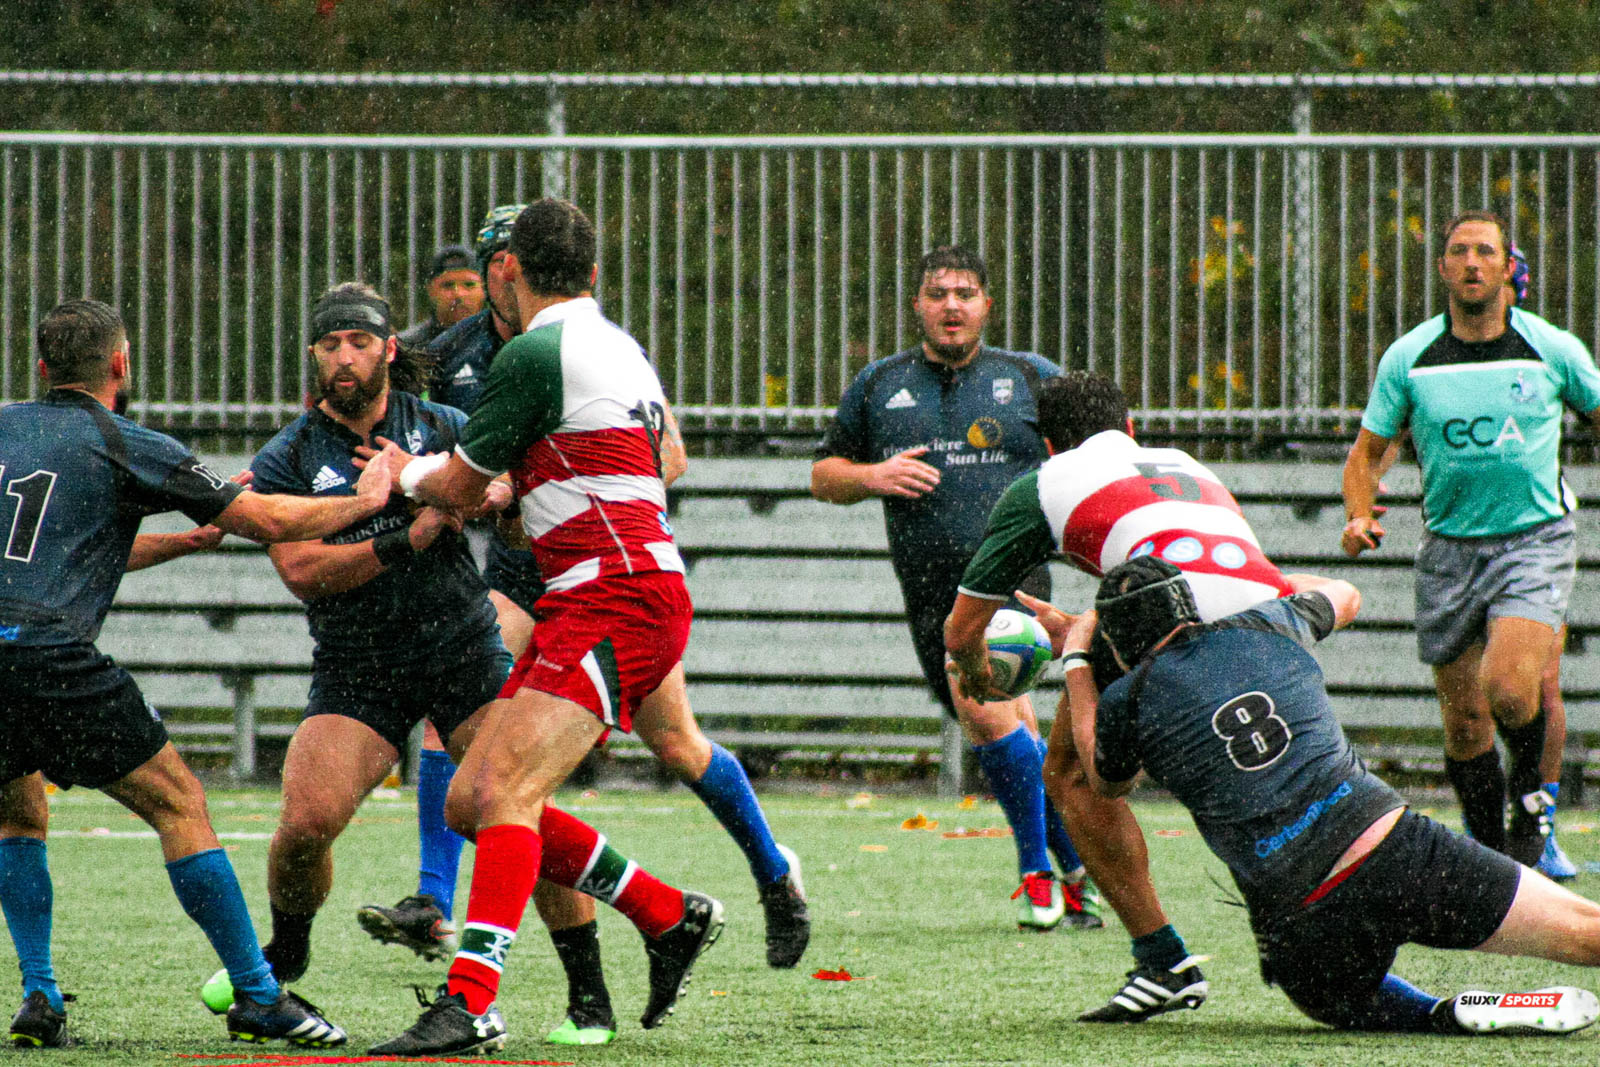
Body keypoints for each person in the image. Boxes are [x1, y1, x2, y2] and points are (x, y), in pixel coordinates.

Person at [361, 205, 808, 1047]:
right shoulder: (618, 346)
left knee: (502, 792)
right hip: (603, 593)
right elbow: (608, 463)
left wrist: (403, 468)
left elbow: (456, 486)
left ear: (508, 271)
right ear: (593, 274)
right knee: (470, 797)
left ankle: (472, 1000)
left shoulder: (536, 350)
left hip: (616, 597)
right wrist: (518, 494)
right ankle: (664, 911)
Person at [0, 298, 409, 1048]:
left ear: (41, 367)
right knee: (181, 803)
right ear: (121, 364)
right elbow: (273, 521)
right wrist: (365, 498)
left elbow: (61, 545)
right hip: (50, 656)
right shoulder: (123, 439)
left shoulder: (4, 427)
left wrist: (184, 545)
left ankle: (38, 994)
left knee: (18, 812)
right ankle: (258, 996)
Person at [1053, 554, 1600, 1037]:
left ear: (1118, 646)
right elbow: (1347, 594)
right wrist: (1254, 581)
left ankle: (1435, 1013)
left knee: (1337, 1001)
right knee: (1585, 933)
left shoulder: (1129, 696)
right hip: (1393, 849)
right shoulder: (1270, 623)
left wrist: (1077, 661)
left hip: (1300, 914)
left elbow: (1105, 781)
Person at [944, 368, 1297, 1020]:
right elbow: (1185, 563)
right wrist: (1085, 623)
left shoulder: (1044, 482)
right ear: (1129, 427)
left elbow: (962, 627)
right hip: (1281, 620)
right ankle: (1295, 922)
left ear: (1050, 444)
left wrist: (974, 671)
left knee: (1075, 773)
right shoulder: (1182, 461)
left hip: (1175, 629)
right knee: (1263, 785)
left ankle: (1163, 960)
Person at [811, 245, 1095, 932]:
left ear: (987, 305)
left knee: (991, 709)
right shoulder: (880, 384)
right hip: (929, 590)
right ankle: (1078, 868)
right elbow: (824, 473)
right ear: (918, 305)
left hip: (1011, 581)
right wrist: (872, 476)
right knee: (1005, 730)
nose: (952, 305)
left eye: (965, 292)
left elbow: (1092, 447)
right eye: (938, 292)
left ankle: (1037, 877)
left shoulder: (1030, 377)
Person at [1342, 211, 1600, 868]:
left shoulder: (1552, 348)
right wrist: (1359, 513)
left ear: (1506, 265)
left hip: (1533, 541)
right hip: (1449, 548)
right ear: (1443, 269)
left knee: (1512, 687)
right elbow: (1368, 453)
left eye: (1485, 250)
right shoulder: (1411, 357)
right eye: (1458, 251)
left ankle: (1533, 807)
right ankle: (1489, 861)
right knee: (1463, 724)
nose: (1471, 262)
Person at [397, 244, 484, 349]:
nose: (458, 294)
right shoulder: (407, 346)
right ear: (431, 290)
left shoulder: (499, 341)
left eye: (469, 285)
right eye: (448, 285)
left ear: (484, 288)